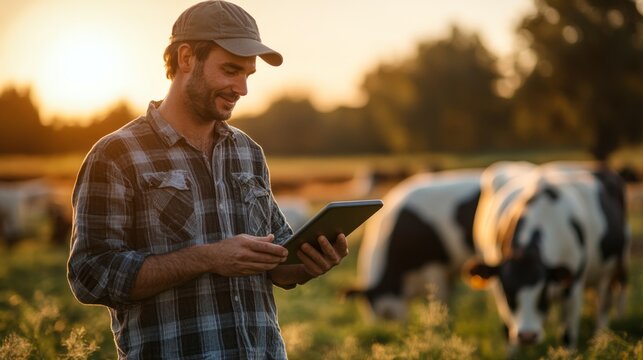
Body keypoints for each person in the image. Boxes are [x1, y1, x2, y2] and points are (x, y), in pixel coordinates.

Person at [66, 1, 349, 358]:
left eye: (248, 74)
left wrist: (308, 264)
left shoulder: (249, 152)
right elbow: (90, 276)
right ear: (186, 59)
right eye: (231, 70)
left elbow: (277, 263)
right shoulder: (116, 155)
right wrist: (209, 258)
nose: (242, 88)